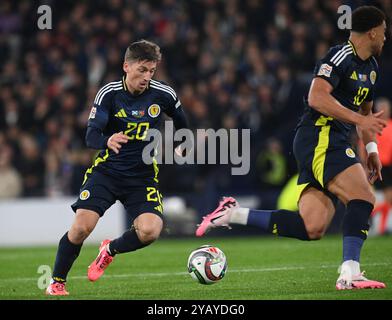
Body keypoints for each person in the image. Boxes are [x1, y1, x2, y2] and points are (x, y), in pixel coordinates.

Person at [196, 6, 388, 290]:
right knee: (363, 197)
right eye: (384, 31)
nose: (386, 37)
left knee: (312, 227)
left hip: (329, 141)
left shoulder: (371, 68)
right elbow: (316, 98)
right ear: (372, 31)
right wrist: (360, 120)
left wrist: (371, 149)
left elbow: (366, 114)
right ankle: (350, 272)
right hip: (320, 137)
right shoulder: (339, 57)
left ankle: (233, 214)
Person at [46, 40, 188, 295]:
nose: (147, 77)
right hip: (107, 172)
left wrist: (183, 144)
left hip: (142, 176)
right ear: (126, 66)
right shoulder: (109, 94)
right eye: (142, 70)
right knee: (81, 228)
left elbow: (182, 123)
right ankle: (57, 282)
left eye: (152, 71)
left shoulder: (163, 94)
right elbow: (91, 136)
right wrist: (106, 140)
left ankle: (109, 250)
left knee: (150, 231)